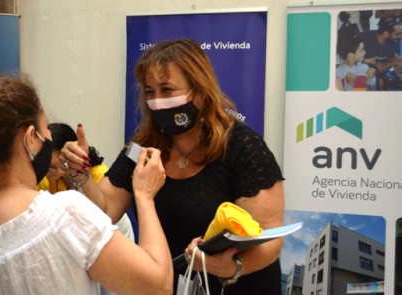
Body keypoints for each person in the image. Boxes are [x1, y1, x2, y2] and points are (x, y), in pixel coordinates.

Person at [60, 38, 285, 294]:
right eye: (149, 92)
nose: (157, 101)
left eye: (166, 90)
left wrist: (230, 267)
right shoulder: (142, 148)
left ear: (199, 92)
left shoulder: (242, 146)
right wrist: (81, 174)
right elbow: (105, 210)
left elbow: (271, 237)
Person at [0, 74, 173, 294]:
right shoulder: (65, 215)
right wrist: (145, 195)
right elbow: (158, 285)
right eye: (46, 127)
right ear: (30, 139)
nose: (50, 136)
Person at [36, 122, 135, 295]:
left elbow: (101, 217)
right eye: (47, 166)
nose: (50, 172)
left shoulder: (97, 174)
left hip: (112, 228)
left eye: (55, 166)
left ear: (71, 155)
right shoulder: (46, 181)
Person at [359, 17, 402, 89]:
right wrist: (394, 62)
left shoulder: (392, 42)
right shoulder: (368, 40)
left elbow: (394, 57)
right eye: (397, 34)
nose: (400, 36)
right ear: (385, 34)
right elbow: (375, 70)